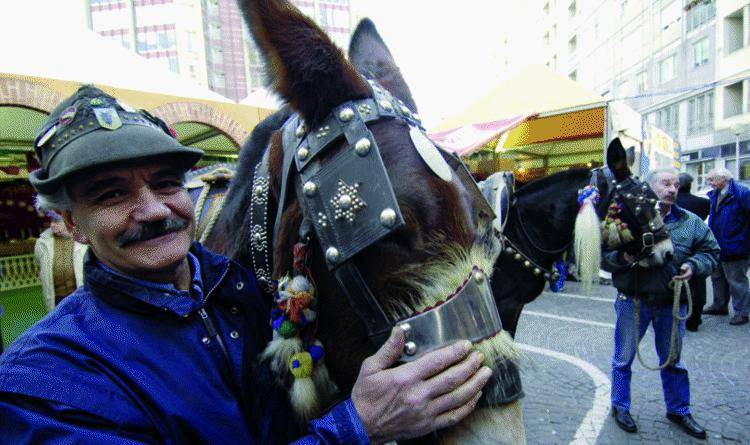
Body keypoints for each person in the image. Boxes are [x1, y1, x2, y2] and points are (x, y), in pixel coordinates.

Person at [0, 86, 492, 444]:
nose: (153, 209)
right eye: (111, 194)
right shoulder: (41, 379)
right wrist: (356, 427)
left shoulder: (245, 291)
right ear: (71, 224)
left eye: (167, 184)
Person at [603, 168, 719, 439]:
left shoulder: (691, 222)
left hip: (671, 302)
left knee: (673, 361)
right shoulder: (625, 220)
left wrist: (693, 265)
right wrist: (624, 259)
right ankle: (620, 407)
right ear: (649, 186)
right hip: (632, 301)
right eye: (665, 183)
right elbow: (604, 256)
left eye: (676, 185)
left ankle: (678, 409)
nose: (672, 189)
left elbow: (711, 251)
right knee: (623, 359)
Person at [704, 168, 750, 326]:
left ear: (723, 178)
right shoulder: (716, 193)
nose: (709, 183)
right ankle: (719, 305)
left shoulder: (742, 193)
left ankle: (742, 313)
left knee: (736, 281)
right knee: (717, 277)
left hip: (736, 245)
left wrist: (745, 241)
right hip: (717, 244)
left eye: (711, 180)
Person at [676, 172, 710, 331]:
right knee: (697, 283)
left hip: (676, 246)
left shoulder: (672, 202)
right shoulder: (703, 203)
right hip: (695, 246)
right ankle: (695, 318)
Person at [33, 214, 87, 312]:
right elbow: (38, 262)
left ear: (67, 222)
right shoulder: (42, 242)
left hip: (78, 293)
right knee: (60, 323)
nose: (53, 225)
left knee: (82, 320)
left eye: (57, 222)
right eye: (52, 222)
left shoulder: (82, 238)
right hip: (56, 296)